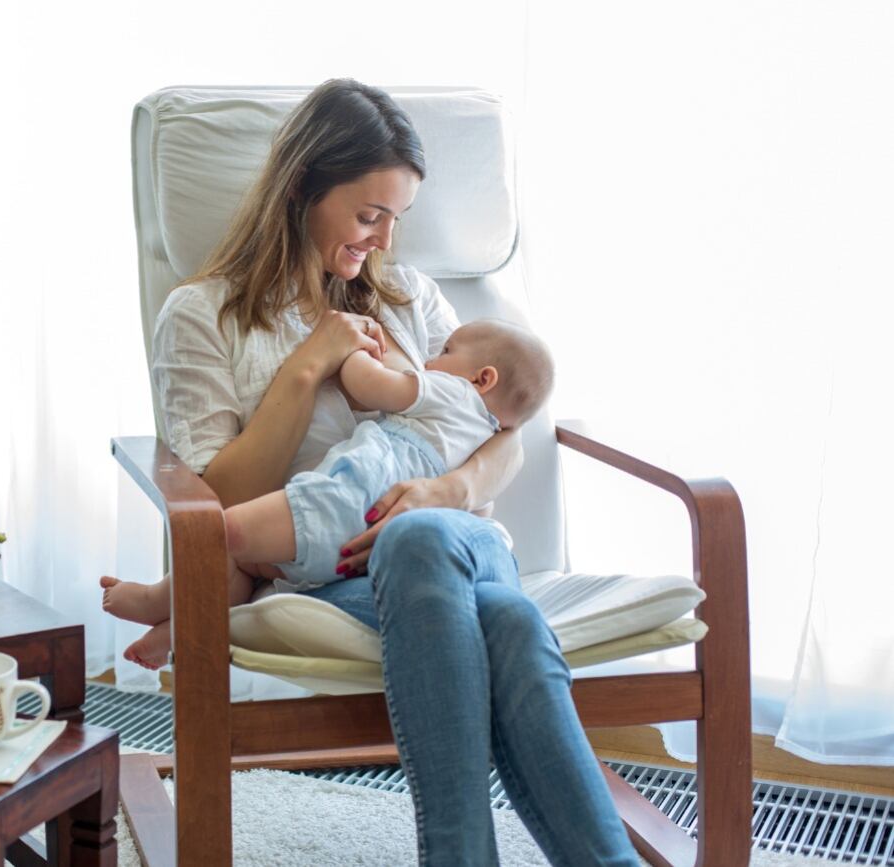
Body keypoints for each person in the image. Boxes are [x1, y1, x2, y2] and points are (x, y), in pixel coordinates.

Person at [109, 79, 638, 865]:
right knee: (512, 622)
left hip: (466, 541)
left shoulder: (411, 300)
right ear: (301, 190)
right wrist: (304, 369)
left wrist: (442, 491)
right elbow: (219, 500)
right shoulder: (202, 316)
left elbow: (507, 434)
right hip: (329, 575)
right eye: (368, 215)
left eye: (397, 218)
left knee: (423, 536)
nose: (385, 241)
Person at [101, 318, 555, 665]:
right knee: (489, 617)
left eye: (445, 350)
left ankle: (156, 602)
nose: (432, 358)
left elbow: (376, 387)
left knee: (224, 537)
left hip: (342, 504)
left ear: (484, 379)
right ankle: (173, 633)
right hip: (382, 558)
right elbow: (504, 441)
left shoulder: (451, 386)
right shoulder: (481, 417)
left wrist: (352, 353)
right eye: (369, 216)